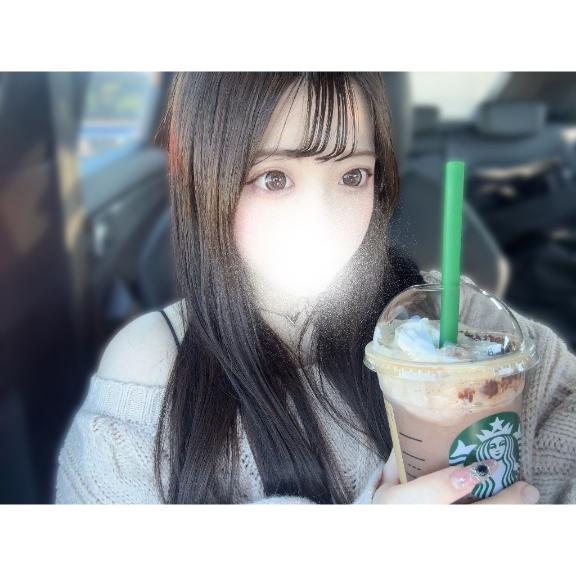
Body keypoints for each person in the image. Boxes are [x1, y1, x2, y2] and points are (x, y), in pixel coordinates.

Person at [54, 72, 576, 504]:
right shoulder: (153, 366)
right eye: (274, 179)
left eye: (353, 176)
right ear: (205, 178)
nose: (321, 222)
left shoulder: (452, 319)